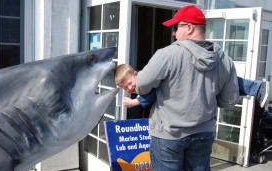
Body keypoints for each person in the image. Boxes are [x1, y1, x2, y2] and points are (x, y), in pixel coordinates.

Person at [131, 5, 259, 171]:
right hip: (203, 133)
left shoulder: (167, 54)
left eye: (176, 28)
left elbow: (141, 86)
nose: (174, 33)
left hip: (169, 135)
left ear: (189, 28)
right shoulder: (224, 59)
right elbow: (228, 100)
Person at [115, 63, 269, 109]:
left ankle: (257, 88)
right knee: (218, 84)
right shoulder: (142, 79)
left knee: (219, 81)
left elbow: (153, 94)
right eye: (125, 88)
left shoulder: (146, 77)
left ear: (136, 73)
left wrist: (135, 102)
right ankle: (256, 88)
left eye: (129, 84)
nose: (129, 88)